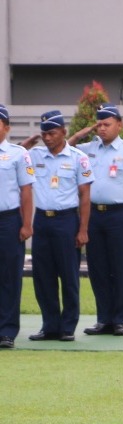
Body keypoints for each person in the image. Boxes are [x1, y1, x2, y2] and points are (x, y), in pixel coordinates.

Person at [67, 104, 123, 337]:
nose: (102, 129)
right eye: (99, 124)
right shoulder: (88, 149)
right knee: (97, 268)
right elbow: (64, 147)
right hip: (92, 215)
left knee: (120, 267)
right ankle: (104, 319)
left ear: (119, 125)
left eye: (107, 124)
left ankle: (120, 320)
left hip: (118, 215)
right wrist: (81, 133)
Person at [28, 110, 93, 341]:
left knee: (68, 275)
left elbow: (85, 196)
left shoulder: (77, 158)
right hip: (42, 220)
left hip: (67, 220)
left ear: (64, 132)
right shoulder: (35, 155)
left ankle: (67, 327)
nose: (47, 138)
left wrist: (83, 229)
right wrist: (25, 144)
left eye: (52, 133)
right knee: (43, 276)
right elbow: (11, 155)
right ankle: (50, 325)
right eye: (44, 134)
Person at [0, 105, 34, 349]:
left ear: (7, 128)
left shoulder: (18, 154)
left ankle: (7, 331)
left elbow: (26, 191)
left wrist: (26, 224)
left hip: (8, 220)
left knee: (10, 276)